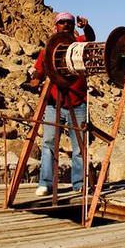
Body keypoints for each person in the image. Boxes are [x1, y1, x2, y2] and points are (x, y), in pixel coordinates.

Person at [29, 12, 95, 196]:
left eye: (69, 22)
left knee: (79, 146)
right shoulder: (47, 51)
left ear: (73, 26)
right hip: (53, 104)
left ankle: (79, 183)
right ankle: (45, 183)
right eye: (62, 22)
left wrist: (86, 27)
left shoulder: (79, 45)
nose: (65, 25)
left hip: (78, 103)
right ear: (55, 26)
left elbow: (91, 38)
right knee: (49, 143)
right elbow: (38, 72)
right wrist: (35, 79)